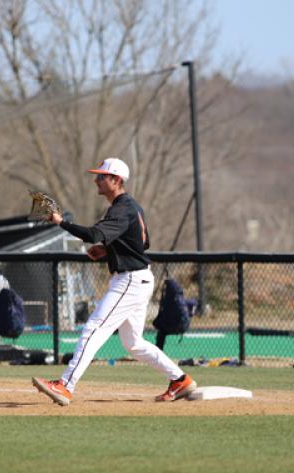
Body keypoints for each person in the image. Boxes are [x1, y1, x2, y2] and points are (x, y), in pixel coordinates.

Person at [32, 158, 197, 405]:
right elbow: (142, 244)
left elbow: (93, 234)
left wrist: (61, 222)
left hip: (130, 280)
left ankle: (65, 386)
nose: (96, 180)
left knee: (93, 329)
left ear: (116, 180)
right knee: (134, 343)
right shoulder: (130, 207)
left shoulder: (122, 208)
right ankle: (180, 380)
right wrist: (108, 251)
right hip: (138, 277)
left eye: (101, 176)